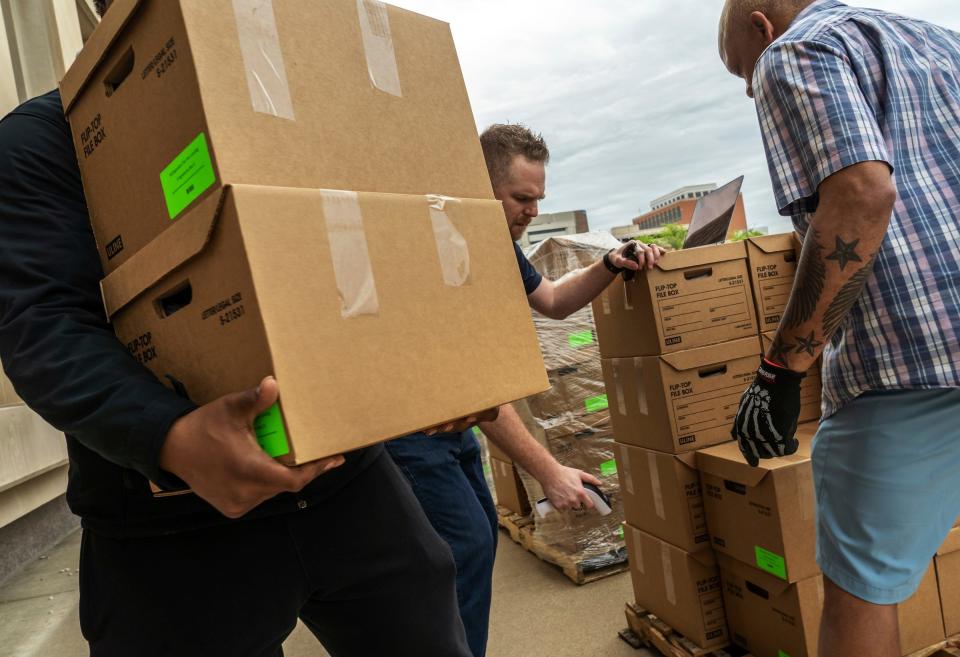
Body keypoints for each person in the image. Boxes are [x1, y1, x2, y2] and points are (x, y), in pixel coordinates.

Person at [0, 1, 479, 655]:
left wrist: (449, 357)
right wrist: (167, 433)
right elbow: (42, 323)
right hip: (164, 525)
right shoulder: (42, 139)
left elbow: (378, 230)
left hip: (348, 486)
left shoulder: (294, 93)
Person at [720, 1, 960, 656]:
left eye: (744, 74)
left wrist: (780, 371)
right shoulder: (941, 42)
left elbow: (859, 192)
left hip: (918, 354)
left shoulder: (795, 50)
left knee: (862, 590)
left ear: (761, 26)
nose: (753, 87)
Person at [385, 122, 664, 657]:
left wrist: (610, 262)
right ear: (480, 186)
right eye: (522, 198)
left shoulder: (496, 245)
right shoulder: (437, 249)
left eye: (539, 199)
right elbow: (476, 382)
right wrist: (548, 471)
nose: (532, 211)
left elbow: (554, 299)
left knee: (477, 539)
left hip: (458, 429)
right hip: (414, 433)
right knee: (455, 552)